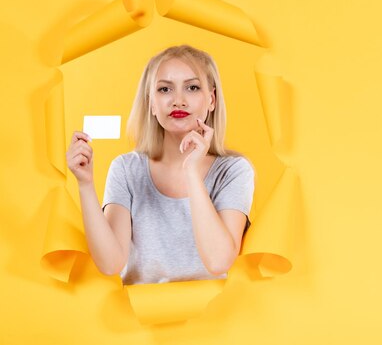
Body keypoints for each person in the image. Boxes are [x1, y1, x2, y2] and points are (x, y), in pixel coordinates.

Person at [65, 44, 255, 285]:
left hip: (215, 318)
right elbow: (110, 263)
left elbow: (218, 261)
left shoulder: (234, 171)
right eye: (165, 89)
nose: (178, 100)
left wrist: (192, 173)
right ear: (152, 103)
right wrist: (85, 184)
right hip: (142, 317)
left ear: (211, 100)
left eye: (192, 87)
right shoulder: (126, 169)